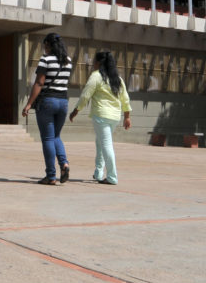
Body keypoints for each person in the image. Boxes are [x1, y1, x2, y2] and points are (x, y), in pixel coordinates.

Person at [69, 50, 132, 185]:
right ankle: (98, 172)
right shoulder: (117, 79)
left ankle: (112, 177)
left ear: (98, 63)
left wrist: (75, 111)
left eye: (94, 62)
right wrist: (127, 117)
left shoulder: (96, 76)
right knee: (100, 142)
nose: (93, 65)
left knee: (106, 145)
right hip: (114, 117)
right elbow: (125, 98)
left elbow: (86, 95)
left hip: (101, 116)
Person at [22, 33, 73, 185]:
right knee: (56, 136)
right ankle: (64, 164)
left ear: (49, 45)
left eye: (45, 45)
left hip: (47, 102)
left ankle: (51, 176)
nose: (44, 48)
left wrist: (29, 103)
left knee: (48, 138)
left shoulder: (46, 59)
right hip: (63, 101)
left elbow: (39, 83)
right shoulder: (68, 61)